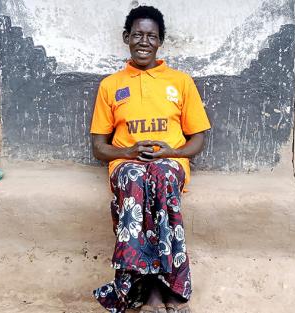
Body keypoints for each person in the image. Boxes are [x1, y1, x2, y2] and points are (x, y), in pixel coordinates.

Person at [90, 6, 211, 313]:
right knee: (135, 178)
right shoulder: (111, 85)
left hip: (169, 163)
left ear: (160, 42)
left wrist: (169, 152)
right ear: (126, 38)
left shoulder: (180, 82)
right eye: (138, 35)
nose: (144, 42)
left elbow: (197, 139)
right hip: (127, 165)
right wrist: (127, 153)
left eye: (152, 36)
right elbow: (99, 147)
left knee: (161, 176)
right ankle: (148, 288)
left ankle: (161, 285)